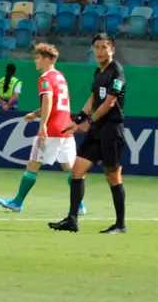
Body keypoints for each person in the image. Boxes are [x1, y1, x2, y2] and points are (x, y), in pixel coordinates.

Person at [49, 33, 127, 234]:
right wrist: (77, 119)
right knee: (77, 171)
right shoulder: (98, 73)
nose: (100, 51)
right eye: (97, 47)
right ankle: (72, 219)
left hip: (111, 129)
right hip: (97, 129)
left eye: (104, 47)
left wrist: (89, 121)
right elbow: (93, 99)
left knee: (112, 175)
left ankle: (120, 225)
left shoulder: (117, 72)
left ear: (112, 49)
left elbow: (110, 102)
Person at [0, 43, 86, 215]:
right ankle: (80, 206)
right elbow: (58, 104)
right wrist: (35, 113)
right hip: (66, 128)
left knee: (33, 164)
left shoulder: (45, 79)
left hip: (52, 130)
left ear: (46, 59)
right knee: (70, 169)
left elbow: (48, 101)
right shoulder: (60, 77)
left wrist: (43, 124)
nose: (35, 62)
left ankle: (17, 202)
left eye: (37, 58)